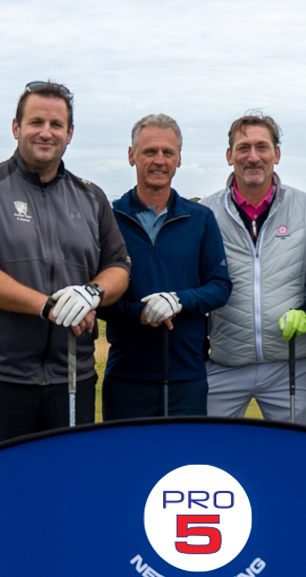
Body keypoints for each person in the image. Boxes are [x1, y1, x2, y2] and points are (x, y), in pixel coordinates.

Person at [0, 80, 130, 455]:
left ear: (69, 133)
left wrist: (93, 293)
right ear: (16, 127)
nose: (46, 132)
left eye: (56, 124)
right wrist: (48, 306)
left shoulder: (91, 197)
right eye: (35, 122)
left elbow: (118, 266)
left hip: (71, 378)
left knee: (65, 496)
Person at [101, 115, 231, 419]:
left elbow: (220, 286)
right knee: (128, 464)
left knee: (186, 466)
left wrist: (179, 300)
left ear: (179, 159)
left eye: (167, 153)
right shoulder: (109, 219)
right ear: (132, 155)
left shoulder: (200, 219)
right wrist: (139, 315)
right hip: (127, 375)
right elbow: (101, 298)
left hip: (188, 375)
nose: (159, 160)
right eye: (149, 152)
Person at [200, 114, 306, 425]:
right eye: (243, 147)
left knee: (294, 460)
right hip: (222, 365)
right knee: (212, 459)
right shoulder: (205, 213)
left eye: (262, 147)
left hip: (292, 363)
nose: (253, 157)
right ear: (229, 156)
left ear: (276, 154)